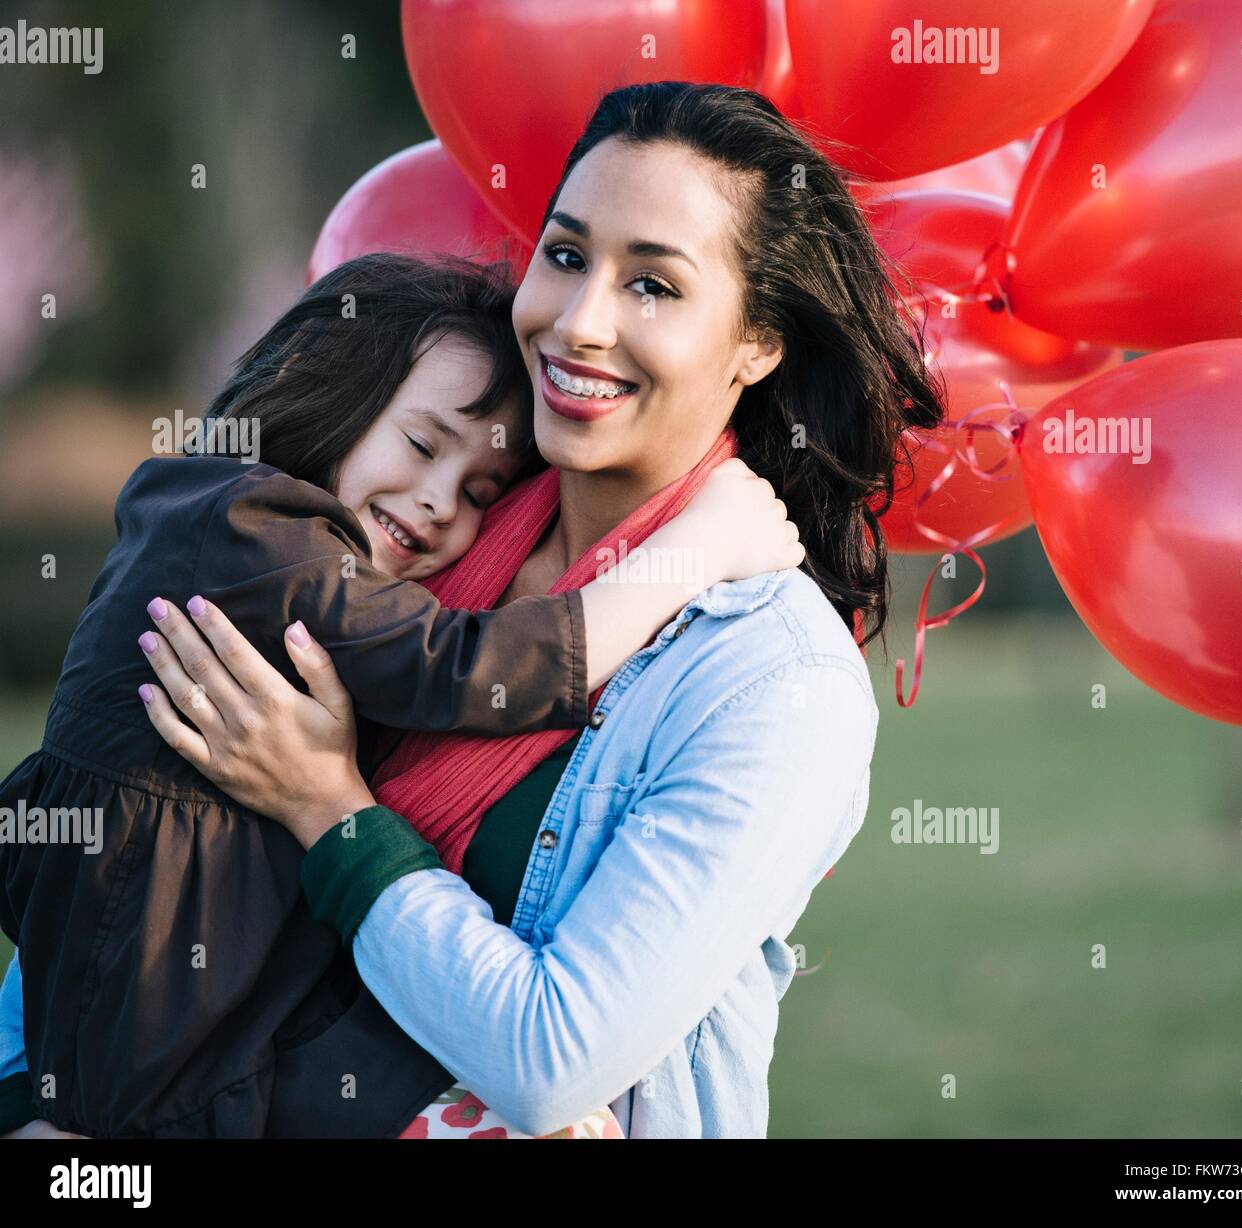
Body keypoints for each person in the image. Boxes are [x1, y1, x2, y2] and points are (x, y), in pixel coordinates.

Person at [108, 81, 947, 1139]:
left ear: (757, 343)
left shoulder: (775, 683)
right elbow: (136, 834)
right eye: (564, 255)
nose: (579, 322)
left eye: (651, 284)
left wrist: (326, 807)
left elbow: (551, 1059)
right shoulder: (416, 520)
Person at [0, 250, 802, 1138]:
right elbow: (468, 670)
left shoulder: (227, 526)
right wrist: (697, 551)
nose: (434, 502)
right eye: (422, 446)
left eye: (476, 494)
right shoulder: (254, 534)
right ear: (326, 389)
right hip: (168, 1025)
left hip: (190, 1006)